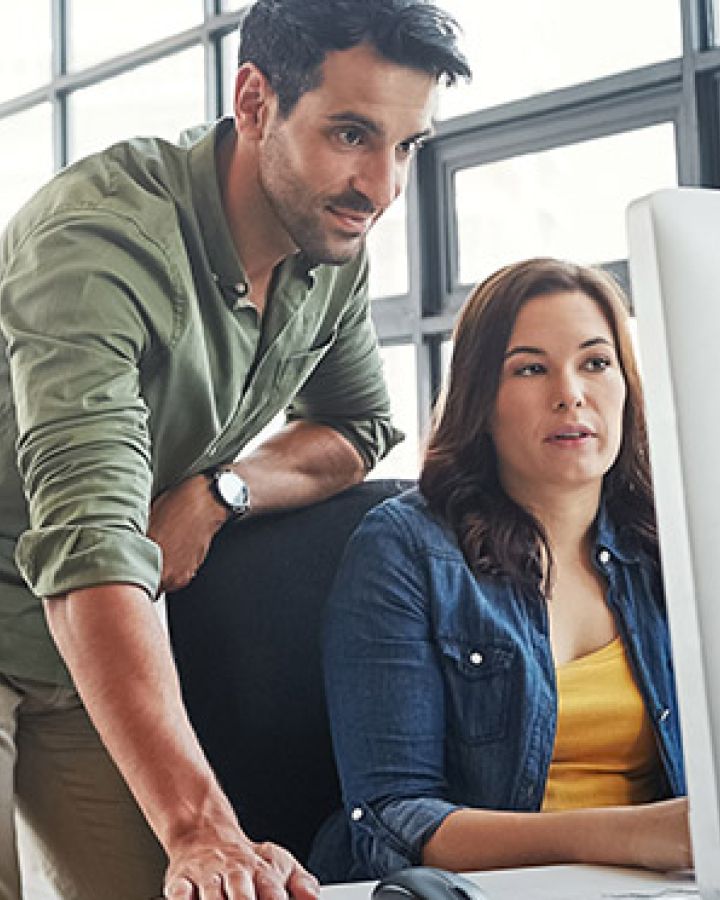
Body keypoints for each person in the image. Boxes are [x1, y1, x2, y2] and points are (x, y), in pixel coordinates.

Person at [0, 1, 471, 897]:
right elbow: (93, 546)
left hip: (82, 652)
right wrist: (203, 828)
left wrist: (222, 492)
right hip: (68, 592)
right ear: (254, 101)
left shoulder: (326, 236)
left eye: (406, 145)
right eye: (350, 134)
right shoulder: (96, 245)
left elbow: (358, 428)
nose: (380, 185)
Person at [310, 258, 691, 882]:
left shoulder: (668, 545)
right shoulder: (405, 547)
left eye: (596, 363)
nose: (571, 393)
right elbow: (394, 817)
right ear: (482, 399)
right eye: (531, 368)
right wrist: (641, 835)